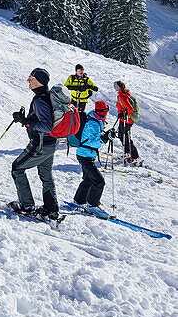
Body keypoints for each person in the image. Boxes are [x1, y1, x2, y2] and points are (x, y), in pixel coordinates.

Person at [9, 68, 60, 220]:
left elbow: (47, 126)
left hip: (41, 145)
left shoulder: (40, 100)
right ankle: (52, 209)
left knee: (17, 168)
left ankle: (27, 206)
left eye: (31, 78)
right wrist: (26, 119)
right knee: (46, 175)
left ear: (39, 81)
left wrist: (26, 121)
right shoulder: (48, 95)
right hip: (51, 144)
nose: (28, 80)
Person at [69, 99, 110, 216]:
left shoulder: (96, 119)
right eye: (104, 112)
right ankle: (92, 206)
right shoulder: (93, 122)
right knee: (99, 181)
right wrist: (104, 139)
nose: (105, 114)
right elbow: (91, 141)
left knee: (88, 180)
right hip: (85, 155)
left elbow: (94, 136)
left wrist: (105, 135)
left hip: (86, 154)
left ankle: (78, 201)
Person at [114, 80, 140, 163]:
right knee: (123, 135)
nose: (114, 87)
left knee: (125, 137)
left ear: (118, 87)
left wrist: (124, 115)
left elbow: (130, 109)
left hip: (127, 120)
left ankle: (133, 156)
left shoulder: (122, 96)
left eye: (115, 86)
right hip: (125, 119)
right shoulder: (123, 95)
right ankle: (128, 153)